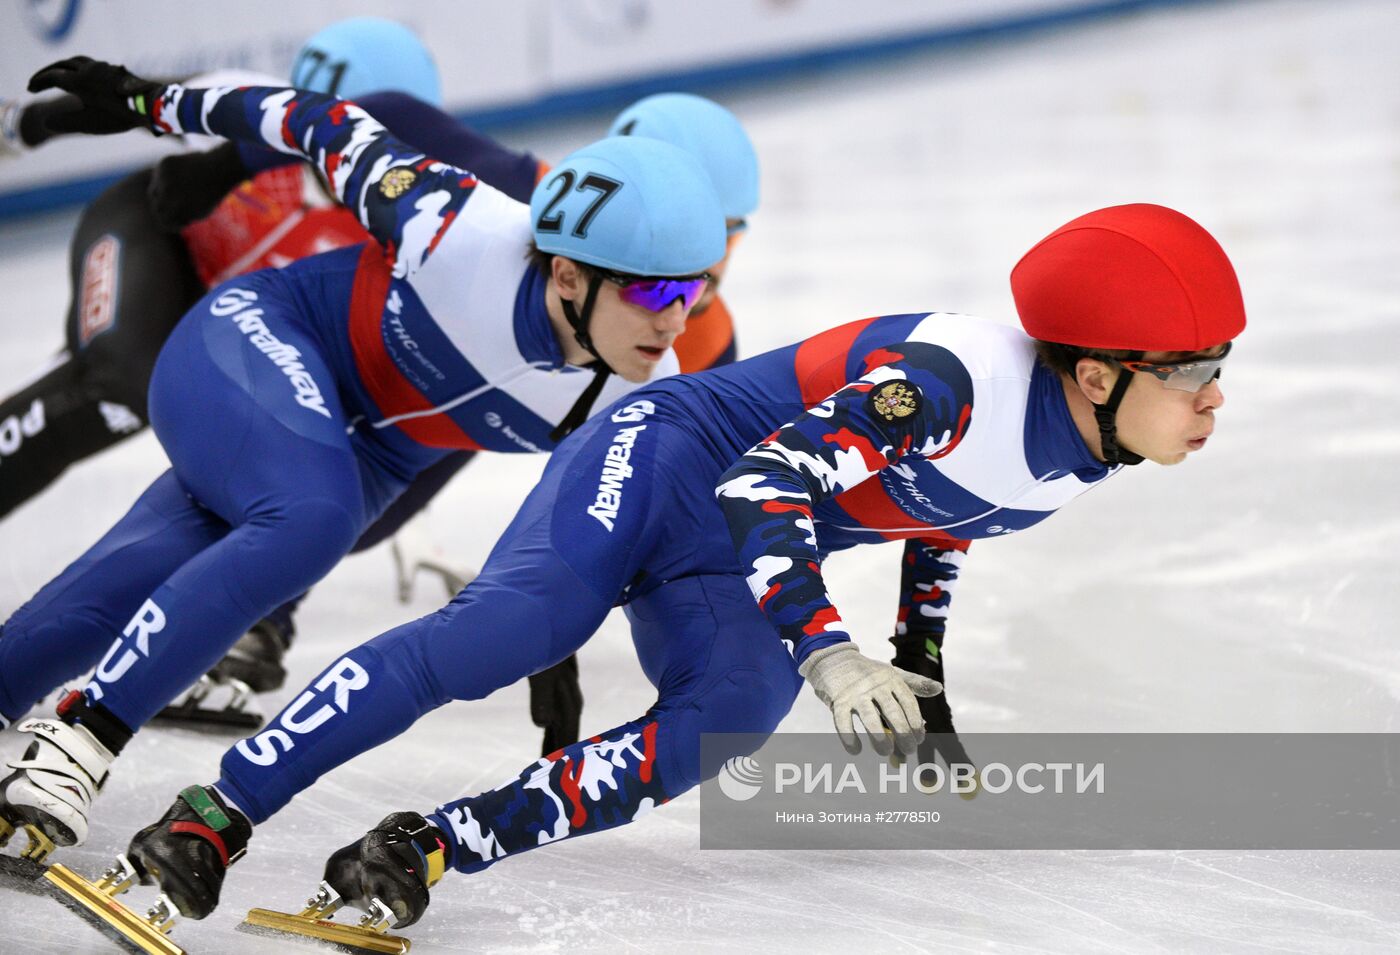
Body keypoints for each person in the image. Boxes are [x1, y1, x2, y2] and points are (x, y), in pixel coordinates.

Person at [86, 174, 1244, 921]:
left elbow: (948, 520)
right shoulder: (943, 386)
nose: (1211, 401)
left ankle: (428, 847)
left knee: (725, 719)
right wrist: (835, 655)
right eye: (1194, 373)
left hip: (734, 551)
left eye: (1217, 370)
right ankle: (212, 814)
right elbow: (765, 478)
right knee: (512, 628)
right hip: (670, 462)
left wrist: (920, 659)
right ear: (1096, 371)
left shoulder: (1077, 452)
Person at [0, 57, 729, 864]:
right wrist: (147, 100)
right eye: (657, 296)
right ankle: (83, 733)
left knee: (147, 571)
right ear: (566, 273)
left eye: (695, 294)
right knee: (311, 518)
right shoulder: (451, 223)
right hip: (254, 342)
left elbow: (577, 519)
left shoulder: (638, 389)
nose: (679, 321)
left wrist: (551, 644)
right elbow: (320, 117)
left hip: (357, 452)